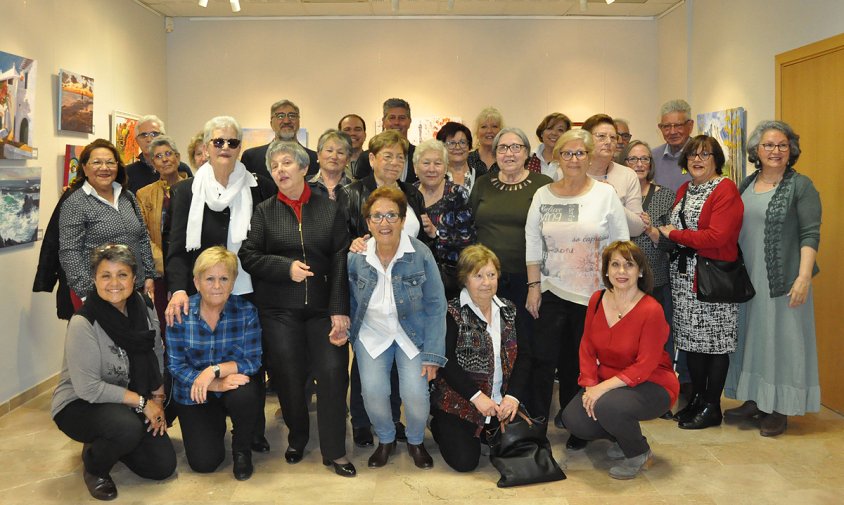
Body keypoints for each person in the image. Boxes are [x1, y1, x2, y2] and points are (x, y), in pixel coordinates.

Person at [239, 140, 355, 477]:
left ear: (304, 168)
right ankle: (298, 436)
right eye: (274, 167)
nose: (280, 171)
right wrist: (284, 267)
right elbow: (249, 256)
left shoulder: (329, 209)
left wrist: (338, 310)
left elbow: (339, 259)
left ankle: (335, 451)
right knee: (288, 377)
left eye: (287, 163)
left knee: (333, 372)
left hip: (321, 310)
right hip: (278, 310)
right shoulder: (265, 211)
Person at [165, 116, 276, 452]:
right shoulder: (186, 191)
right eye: (218, 142)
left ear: (240, 148)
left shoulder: (260, 187)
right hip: (204, 288)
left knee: (251, 359)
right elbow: (176, 248)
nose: (225, 148)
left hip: (250, 288)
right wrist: (180, 287)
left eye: (232, 142)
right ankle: (209, 410)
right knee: (202, 353)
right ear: (205, 147)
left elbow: (268, 241)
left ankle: (251, 429)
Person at [524, 128, 630, 449]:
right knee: (542, 362)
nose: (574, 159)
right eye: (567, 153)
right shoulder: (544, 194)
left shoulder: (605, 194)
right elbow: (532, 241)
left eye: (580, 153)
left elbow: (620, 246)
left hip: (593, 296)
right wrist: (533, 286)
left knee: (579, 366)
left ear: (589, 156)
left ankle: (577, 428)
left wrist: (618, 293)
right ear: (557, 158)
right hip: (551, 291)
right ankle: (537, 429)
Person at [51, 244, 175, 500]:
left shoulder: (143, 305)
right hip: (81, 403)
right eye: (105, 275)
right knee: (126, 427)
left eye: (122, 274)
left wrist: (158, 398)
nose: (114, 283)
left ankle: (116, 441)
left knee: (161, 466)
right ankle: (95, 465)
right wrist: (143, 404)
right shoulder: (83, 322)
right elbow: (89, 388)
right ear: (94, 279)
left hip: (128, 398)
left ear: (134, 278)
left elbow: (155, 349)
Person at [724, 120, 822, 437]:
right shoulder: (745, 183)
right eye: (768, 145)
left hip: (783, 281)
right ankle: (756, 399)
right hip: (749, 279)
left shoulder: (801, 186)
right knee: (755, 340)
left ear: (791, 150)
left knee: (784, 342)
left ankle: (780, 407)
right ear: (756, 150)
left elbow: (810, 233)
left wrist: (804, 276)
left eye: (782, 145)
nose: (775, 151)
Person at [561, 241, 678, 480]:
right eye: (615, 264)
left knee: (607, 406)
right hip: (610, 383)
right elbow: (586, 347)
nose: (621, 272)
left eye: (629, 265)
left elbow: (644, 366)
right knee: (573, 418)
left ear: (641, 271)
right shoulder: (597, 300)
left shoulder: (651, 310)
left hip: (653, 383)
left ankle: (638, 453)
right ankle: (622, 436)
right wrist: (590, 385)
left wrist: (601, 390)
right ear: (606, 270)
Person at [348, 187, 446, 470]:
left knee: (415, 395)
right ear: (367, 222)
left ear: (403, 220)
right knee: (373, 393)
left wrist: (433, 353)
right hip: (372, 333)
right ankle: (386, 439)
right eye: (377, 216)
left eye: (392, 215)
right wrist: (348, 332)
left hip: (411, 334)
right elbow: (348, 299)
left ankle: (415, 441)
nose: (384, 223)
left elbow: (436, 304)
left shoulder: (420, 253)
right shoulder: (357, 255)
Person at [658, 135, 743, 430]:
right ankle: (696, 400)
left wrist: (674, 235)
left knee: (715, 344)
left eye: (706, 154)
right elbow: (677, 225)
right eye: (693, 154)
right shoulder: (687, 188)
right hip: (684, 279)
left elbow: (717, 236)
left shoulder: (725, 189)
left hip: (713, 279)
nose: (698, 159)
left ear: (716, 160)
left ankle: (712, 406)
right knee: (691, 343)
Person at [430, 245, 531, 472]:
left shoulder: (510, 310)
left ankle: (486, 428)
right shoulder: (451, 312)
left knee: (514, 448)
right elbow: (446, 361)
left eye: (491, 275)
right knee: (465, 462)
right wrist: (477, 397)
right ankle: (438, 424)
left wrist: (512, 397)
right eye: (478, 276)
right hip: (461, 401)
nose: (486, 282)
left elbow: (525, 356)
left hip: (500, 402)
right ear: (464, 279)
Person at [167, 246, 263, 481]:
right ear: (197, 282)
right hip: (194, 393)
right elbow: (176, 366)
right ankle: (213, 424)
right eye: (209, 279)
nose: (217, 286)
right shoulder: (180, 313)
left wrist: (213, 371)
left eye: (224, 279)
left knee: (246, 393)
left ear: (233, 283)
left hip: (230, 386)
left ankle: (242, 449)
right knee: (205, 463)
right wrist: (215, 384)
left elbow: (252, 360)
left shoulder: (246, 312)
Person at [622, 140, 686, 401]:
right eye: (633, 159)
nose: (639, 164)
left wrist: (649, 229)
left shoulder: (665, 196)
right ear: (624, 164)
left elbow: (672, 242)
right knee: (626, 341)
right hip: (623, 284)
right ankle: (626, 388)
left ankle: (660, 393)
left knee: (658, 340)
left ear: (651, 164)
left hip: (656, 280)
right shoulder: (614, 194)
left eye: (645, 159)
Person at [469, 127, 552, 328]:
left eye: (516, 147)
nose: (509, 153)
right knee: (490, 334)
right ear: (495, 153)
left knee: (525, 337)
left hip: (527, 277)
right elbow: (469, 225)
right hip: (486, 277)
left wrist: (535, 285)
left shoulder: (543, 185)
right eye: (503, 148)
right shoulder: (483, 183)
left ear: (526, 153)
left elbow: (552, 235)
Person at [59, 139, 156, 309]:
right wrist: (86, 294)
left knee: (135, 334)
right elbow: (69, 251)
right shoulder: (75, 203)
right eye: (96, 162)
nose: (104, 168)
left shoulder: (128, 197)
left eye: (110, 162)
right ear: (84, 167)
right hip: (98, 293)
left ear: (117, 166)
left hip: (134, 287)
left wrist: (148, 275)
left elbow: (142, 237)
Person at [136, 135, 189, 335]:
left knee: (187, 318)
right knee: (162, 321)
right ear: (152, 162)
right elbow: (142, 233)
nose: (165, 159)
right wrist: (162, 263)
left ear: (178, 157)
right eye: (158, 156)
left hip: (188, 266)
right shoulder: (144, 194)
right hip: (157, 268)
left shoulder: (196, 188)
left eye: (169, 154)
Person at [413, 138, 476, 298]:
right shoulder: (408, 194)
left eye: (438, 163)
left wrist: (436, 234)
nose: (432, 169)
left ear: (446, 167)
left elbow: (467, 244)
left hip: (448, 281)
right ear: (415, 168)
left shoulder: (457, 194)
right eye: (426, 163)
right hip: (412, 277)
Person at [581, 114, 646, 237]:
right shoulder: (569, 171)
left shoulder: (627, 175)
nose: (608, 142)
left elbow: (638, 228)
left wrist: (613, 200)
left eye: (613, 137)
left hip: (614, 253)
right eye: (601, 136)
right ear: (586, 139)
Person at [240, 99, 319, 182]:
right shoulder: (251, 158)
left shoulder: (314, 159)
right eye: (280, 116)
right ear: (271, 123)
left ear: (299, 122)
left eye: (292, 116)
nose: (286, 121)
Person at [353, 98, 418, 183]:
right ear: (383, 122)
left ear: (409, 121)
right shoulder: (366, 157)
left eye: (402, 118)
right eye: (392, 118)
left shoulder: (419, 156)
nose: (396, 122)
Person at [125, 115, 192, 194]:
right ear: (137, 140)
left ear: (163, 136)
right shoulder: (128, 173)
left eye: (154, 134)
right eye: (144, 135)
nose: (149, 139)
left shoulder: (180, 168)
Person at [652, 100, 694, 192]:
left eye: (678, 125)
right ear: (660, 128)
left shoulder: (702, 156)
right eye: (667, 126)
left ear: (690, 125)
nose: (672, 132)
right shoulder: (652, 157)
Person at [435, 121, 486, 193]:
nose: (458, 147)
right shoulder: (435, 178)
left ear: (469, 146)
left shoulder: (482, 177)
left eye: (462, 142)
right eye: (452, 143)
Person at [310, 129, 353, 202]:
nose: (334, 157)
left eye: (340, 152)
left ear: (348, 159)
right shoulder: (303, 185)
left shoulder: (357, 188)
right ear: (318, 154)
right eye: (329, 151)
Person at [527, 112, 571, 177]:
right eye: (549, 128)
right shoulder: (527, 159)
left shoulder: (572, 160)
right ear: (541, 133)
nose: (554, 133)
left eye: (560, 130)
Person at [467, 106, 503, 174]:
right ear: (477, 132)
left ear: (501, 131)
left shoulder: (506, 159)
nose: (489, 131)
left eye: (494, 126)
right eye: (484, 127)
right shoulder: (467, 160)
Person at [339, 114, 368, 179]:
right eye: (347, 130)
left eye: (357, 129)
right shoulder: (332, 164)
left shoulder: (374, 163)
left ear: (365, 135)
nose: (352, 133)